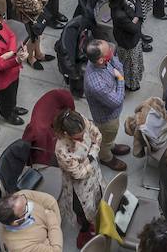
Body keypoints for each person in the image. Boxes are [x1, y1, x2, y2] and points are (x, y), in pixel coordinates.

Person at [51, 108, 104, 246]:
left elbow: (97, 136)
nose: (82, 138)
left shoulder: (82, 121)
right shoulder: (61, 149)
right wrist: (93, 154)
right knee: (82, 209)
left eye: (83, 134)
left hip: (94, 175)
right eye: (77, 137)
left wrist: (89, 157)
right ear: (65, 133)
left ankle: (93, 221)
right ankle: (85, 231)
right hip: (78, 188)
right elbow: (78, 174)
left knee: (98, 198)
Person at [82, 40, 130, 173]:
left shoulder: (102, 60)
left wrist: (118, 72)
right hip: (107, 118)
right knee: (105, 139)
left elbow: (118, 64)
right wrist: (120, 79)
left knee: (109, 138)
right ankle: (106, 157)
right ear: (101, 60)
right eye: (108, 51)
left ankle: (111, 145)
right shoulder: (96, 84)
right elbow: (117, 101)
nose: (111, 50)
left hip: (112, 111)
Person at [0, 190, 64, 252]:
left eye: (25, 200)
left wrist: (55, 227)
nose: (29, 203)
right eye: (25, 208)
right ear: (16, 222)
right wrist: (51, 217)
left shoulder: (19, 198)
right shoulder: (21, 247)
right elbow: (56, 250)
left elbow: (50, 201)